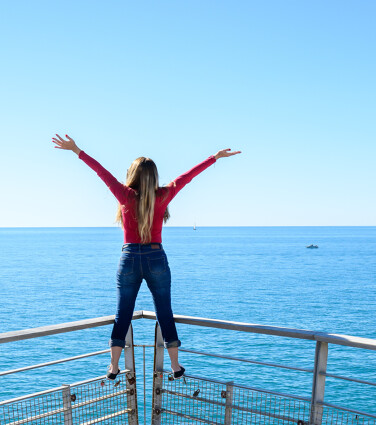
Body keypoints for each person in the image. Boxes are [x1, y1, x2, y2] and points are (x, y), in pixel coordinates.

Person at [52, 134, 240, 380]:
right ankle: (174, 365)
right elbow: (189, 176)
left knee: (123, 315)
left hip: (129, 258)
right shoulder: (164, 195)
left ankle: (114, 366)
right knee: (164, 313)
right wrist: (214, 158)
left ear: (133, 175)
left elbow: (102, 173)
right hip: (156, 257)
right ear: (154, 177)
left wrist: (77, 150)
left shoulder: (124, 195)